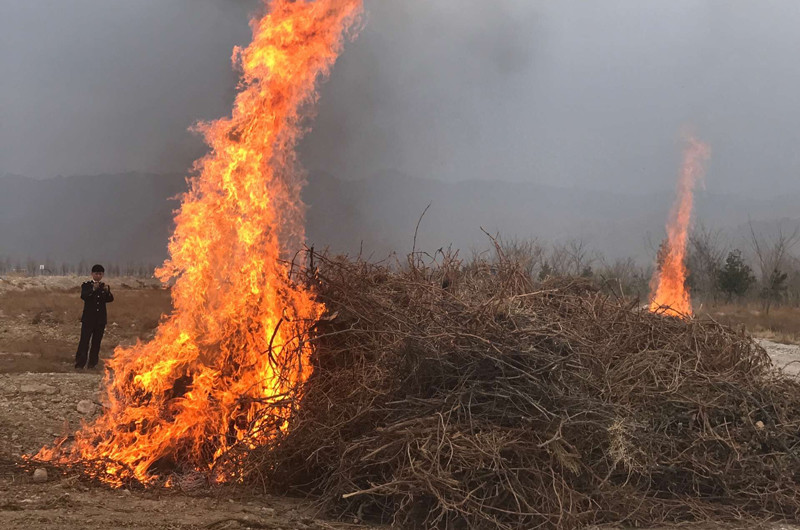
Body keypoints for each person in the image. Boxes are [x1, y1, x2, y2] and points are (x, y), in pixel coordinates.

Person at [75, 264, 114, 370]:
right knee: (84, 342)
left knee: (96, 343)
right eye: (96, 273)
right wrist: (93, 289)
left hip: (100, 320)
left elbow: (110, 299)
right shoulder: (87, 285)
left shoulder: (104, 286)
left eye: (100, 274)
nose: (98, 276)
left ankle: (92, 364)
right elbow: (84, 296)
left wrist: (107, 291)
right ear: (92, 274)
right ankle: (80, 364)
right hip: (88, 319)